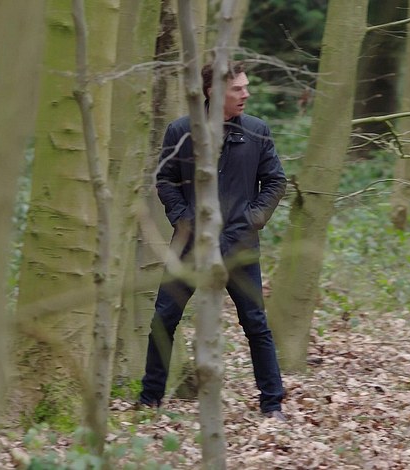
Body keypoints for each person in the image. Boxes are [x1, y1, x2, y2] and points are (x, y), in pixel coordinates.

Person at [138, 61, 288, 421]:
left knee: (256, 324)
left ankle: (272, 405)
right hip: (190, 244)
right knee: (163, 319)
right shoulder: (181, 131)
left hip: (239, 245)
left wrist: (252, 219)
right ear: (213, 91)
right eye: (238, 88)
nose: (246, 93)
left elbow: (275, 181)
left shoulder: (256, 131)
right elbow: (165, 180)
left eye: (245, 87)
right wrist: (184, 221)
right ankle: (149, 400)